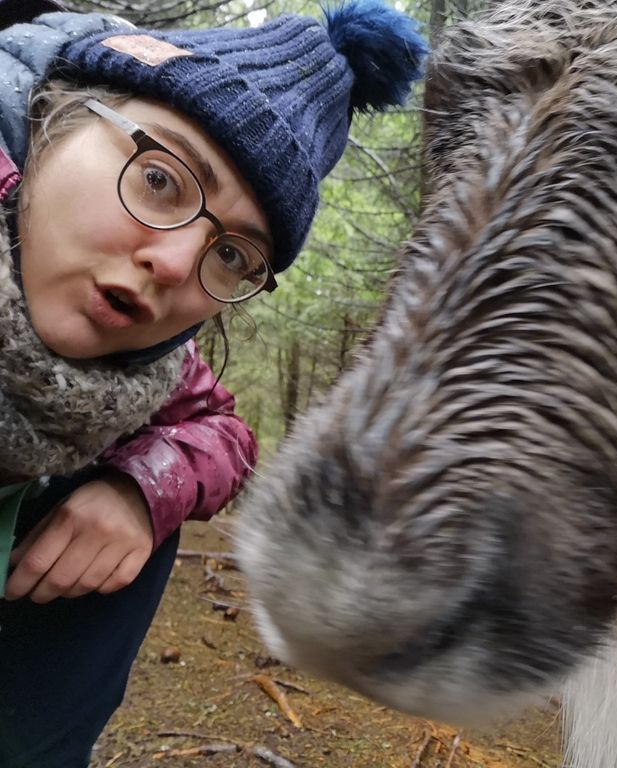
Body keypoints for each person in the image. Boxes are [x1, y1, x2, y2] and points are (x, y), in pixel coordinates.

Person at [0, 0, 428, 765]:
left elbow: (225, 432)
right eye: (160, 178)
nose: (172, 263)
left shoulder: (154, 367)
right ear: (52, 121)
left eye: (231, 255)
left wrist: (138, 492)